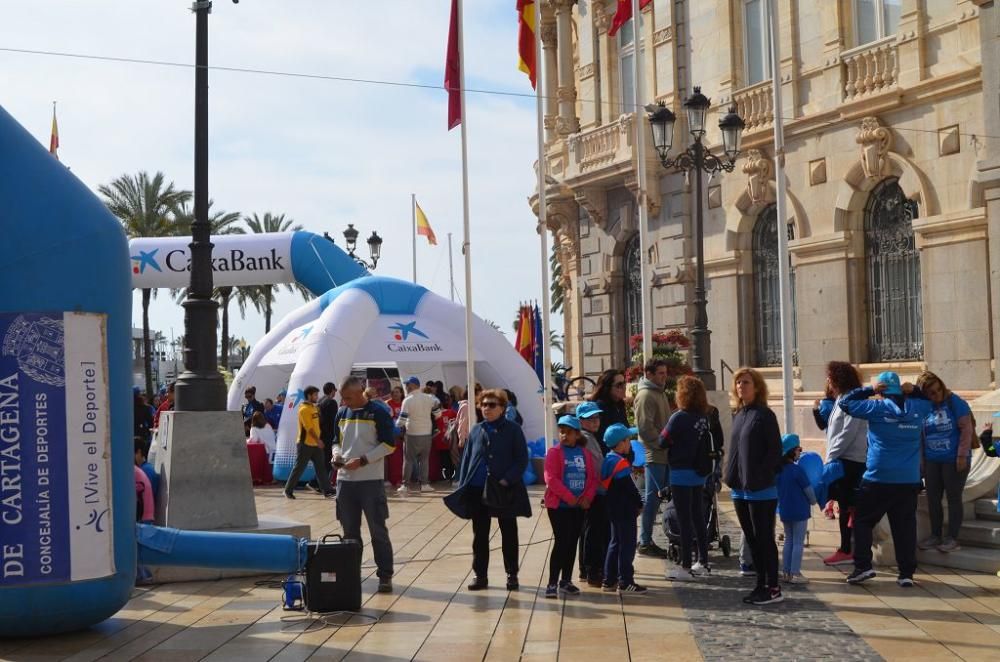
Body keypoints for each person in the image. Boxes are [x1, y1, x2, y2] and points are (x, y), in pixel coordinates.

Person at [838, 371, 933, 587]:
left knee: (863, 521)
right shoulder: (918, 408)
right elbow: (932, 401)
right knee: (905, 526)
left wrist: (869, 390)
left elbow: (845, 403)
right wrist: (915, 390)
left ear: (882, 391)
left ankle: (863, 566)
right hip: (908, 479)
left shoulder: (876, 408)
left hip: (878, 477)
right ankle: (906, 573)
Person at [444, 388, 531, 591]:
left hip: (503, 489)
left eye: (492, 405)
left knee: (509, 532)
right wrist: (463, 483)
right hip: (477, 488)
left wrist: (507, 480)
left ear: (502, 408)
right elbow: (467, 459)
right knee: (480, 535)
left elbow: (521, 459)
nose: (486, 409)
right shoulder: (477, 429)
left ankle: (512, 575)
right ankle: (480, 575)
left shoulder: (513, 429)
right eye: (483, 404)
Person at [332, 376, 398, 593]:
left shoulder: (378, 412)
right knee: (349, 532)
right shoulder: (341, 413)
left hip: (370, 481)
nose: (345, 401)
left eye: (349, 397)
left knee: (377, 530)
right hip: (345, 482)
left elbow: (390, 444)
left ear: (361, 392)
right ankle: (351, 573)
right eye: (343, 398)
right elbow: (336, 440)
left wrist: (363, 460)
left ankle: (385, 575)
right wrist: (336, 455)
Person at [724, 367, 783, 606]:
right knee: (751, 538)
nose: (741, 386)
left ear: (757, 387)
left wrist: (760, 475)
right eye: (738, 383)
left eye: (746, 382)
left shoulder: (764, 415)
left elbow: (774, 452)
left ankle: (773, 586)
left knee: (764, 538)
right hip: (740, 488)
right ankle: (760, 583)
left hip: (761, 489)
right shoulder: (739, 414)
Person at [915, 371, 974, 553]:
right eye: (931, 393)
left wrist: (962, 456)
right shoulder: (924, 407)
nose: (936, 395)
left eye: (937, 390)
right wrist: (922, 462)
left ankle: (952, 538)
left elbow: (966, 430)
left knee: (953, 498)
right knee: (933, 499)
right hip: (933, 460)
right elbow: (921, 436)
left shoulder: (955, 402)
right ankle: (935, 535)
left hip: (954, 460)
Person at [662, 376, 714, 581]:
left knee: (684, 520)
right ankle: (703, 561)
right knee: (698, 517)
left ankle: (685, 566)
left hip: (680, 472)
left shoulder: (679, 417)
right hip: (698, 473)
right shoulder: (703, 417)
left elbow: (662, 440)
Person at [543, 415, 598, 599]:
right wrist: (570, 497)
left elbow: (592, 479)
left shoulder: (585, 454)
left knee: (573, 542)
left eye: (568, 432)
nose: (564, 435)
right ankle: (552, 582)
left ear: (576, 434)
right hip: (559, 506)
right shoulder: (554, 452)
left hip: (578, 507)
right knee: (561, 542)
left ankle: (566, 580)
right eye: (561, 431)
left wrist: (586, 498)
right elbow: (551, 479)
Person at [821, 361, 868, 566]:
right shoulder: (841, 398)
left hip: (852, 460)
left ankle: (848, 549)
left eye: (830, 377)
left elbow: (847, 433)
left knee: (849, 506)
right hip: (843, 458)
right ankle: (847, 547)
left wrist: (830, 456)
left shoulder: (853, 399)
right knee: (845, 505)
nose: (828, 381)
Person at [633, 359, 673, 559]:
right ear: (648, 374)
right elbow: (645, 428)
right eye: (660, 373)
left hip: (665, 454)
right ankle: (645, 541)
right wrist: (662, 443)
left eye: (665, 372)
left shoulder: (659, 392)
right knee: (652, 499)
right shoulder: (646, 395)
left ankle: (654, 538)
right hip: (654, 454)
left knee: (661, 498)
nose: (664, 376)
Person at [601, 423, 647, 594]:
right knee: (627, 546)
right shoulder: (620, 463)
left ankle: (609, 580)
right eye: (628, 440)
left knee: (615, 543)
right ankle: (625, 580)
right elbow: (629, 487)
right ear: (620, 443)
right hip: (624, 510)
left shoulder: (609, 458)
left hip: (613, 509)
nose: (630, 443)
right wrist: (639, 503)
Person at [576, 401, 610, 586]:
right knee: (593, 532)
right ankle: (592, 571)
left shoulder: (590, 436)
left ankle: (587, 569)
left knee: (590, 531)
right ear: (580, 420)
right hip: (593, 491)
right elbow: (595, 466)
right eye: (590, 418)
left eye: (597, 417)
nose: (595, 421)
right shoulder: (585, 438)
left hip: (595, 490)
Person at [777, 434, 816, 584]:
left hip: (785, 510)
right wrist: (813, 501)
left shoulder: (778, 471)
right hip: (800, 512)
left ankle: (786, 572)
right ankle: (795, 574)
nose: (800, 452)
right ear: (792, 451)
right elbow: (808, 491)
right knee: (798, 542)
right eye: (799, 449)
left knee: (788, 540)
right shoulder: (797, 470)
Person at [283, 385, 331, 500]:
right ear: (309, 396)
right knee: (299, 468)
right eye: (315, 395)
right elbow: (309, 428)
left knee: (321, 468)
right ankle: (288, 490)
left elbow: (317, 425)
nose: (317, 397)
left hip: (315, 444)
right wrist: (318, 440)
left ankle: (328, 491)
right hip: (305, 444)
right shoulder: (303, 409)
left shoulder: (314, 408)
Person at [397, 376, 441, 494]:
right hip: (427, 433)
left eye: (408, 384)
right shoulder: (430, 398)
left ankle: (405, 485)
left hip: (411, 433)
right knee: (425, 460)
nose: (406, 387)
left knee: (409, 460)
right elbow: (438, 414)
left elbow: (401, 420)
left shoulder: (407, 400)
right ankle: (425, 484)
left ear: (413, 385)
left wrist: (395, 425)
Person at [310, 382, 339, 497]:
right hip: (328, 436)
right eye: (335, 391)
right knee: (327, 462)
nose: (335, 393)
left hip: (320, 435)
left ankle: (316, 483)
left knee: (322, 461)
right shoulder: (331, 402)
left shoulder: (320, 401)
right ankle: (320, 484)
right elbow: (334, 421)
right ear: (332, 390)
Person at [385, 385, 406, 487]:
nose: (395, 394)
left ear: (401, 393)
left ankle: (400, 479)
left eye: (397, 392)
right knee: (392, 458)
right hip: (392, 435)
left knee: (401, 458)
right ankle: (391, 479)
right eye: (394, 392)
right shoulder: (388, 404)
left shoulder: (404, 404)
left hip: (403, 435)